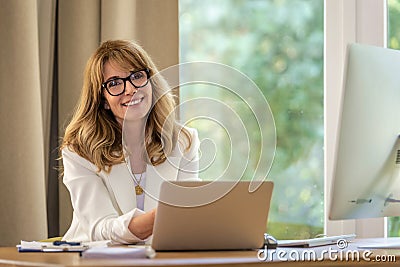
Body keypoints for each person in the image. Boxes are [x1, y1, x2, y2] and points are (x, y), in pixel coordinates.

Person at [60, 40, 200, 244]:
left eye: (136, 76)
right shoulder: (79, 150)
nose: (130, 89)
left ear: (150, 81)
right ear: (102, 99)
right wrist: (158, 217)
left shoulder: (184, 141)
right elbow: (100, 228)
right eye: (115, 83)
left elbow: (191, 215)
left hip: (159, 257)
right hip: (94, 258)